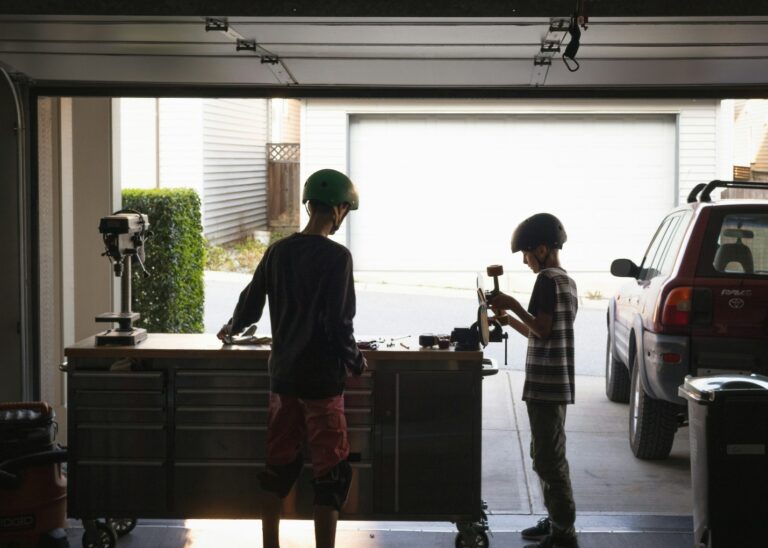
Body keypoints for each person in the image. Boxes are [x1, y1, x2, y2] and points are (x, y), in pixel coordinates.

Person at [217, 168, 366, 548]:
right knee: (330, 474)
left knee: (278, 468)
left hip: (283, 382)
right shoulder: (338, 258)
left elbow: (250, 306)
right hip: (322, 385)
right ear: (340, 209)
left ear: (308, 204)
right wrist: (355, 361)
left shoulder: (278, 251)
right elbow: (338, 323)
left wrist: (231, 327)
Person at [487, 213, 579, 548]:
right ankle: (555, 519)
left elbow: (541, 328)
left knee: (548, 458)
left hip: (546, 384)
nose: (525, 262)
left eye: (525, 254)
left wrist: (510, 302)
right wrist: (510, 319)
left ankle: (563, 531)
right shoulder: (566, 281)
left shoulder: (546, 281)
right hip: (556, 382)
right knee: (546, 452)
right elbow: (541, 332)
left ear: (541, 249)